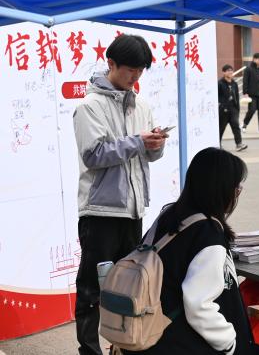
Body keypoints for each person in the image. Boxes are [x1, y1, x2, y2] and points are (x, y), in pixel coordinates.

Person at [123, 148, 259, 355]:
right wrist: (230, 344)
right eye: (237, 187)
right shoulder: (208, 234)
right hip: (178, 341)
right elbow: (199, 306)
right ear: (222, 188)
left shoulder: (169, 216)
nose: (238, 192)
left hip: (148, 335)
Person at [73, 34, 167, 355]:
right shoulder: (89, 107)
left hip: (133, 210)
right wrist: (139, 142)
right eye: (130, 70)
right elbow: (94, 154)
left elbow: (149, 156)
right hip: (100, 212)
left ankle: (124, 347)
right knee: (92, 288)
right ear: (111, 63)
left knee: (130, 287)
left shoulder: (142, 105)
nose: (135, 76)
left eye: (140, 71)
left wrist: (155, 144)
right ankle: (90, 350)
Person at [218, 64, 247, 151]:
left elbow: (237, 96)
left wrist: (237, 109)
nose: (230, 72)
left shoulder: (234, 83)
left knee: (236, 126)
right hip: (223, 110)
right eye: (228, 70)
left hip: (233, 109)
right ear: (224, 72)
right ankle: (218, 145)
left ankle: (239, 144)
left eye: (231, 70)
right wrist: (221, 106)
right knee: (221, 128)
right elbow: (217, 96)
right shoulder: (220, 83)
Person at [241, 53, 259, 134]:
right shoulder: (248, 69)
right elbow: (245, 81)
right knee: (252, 110)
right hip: (251, 94)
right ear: (254, 59)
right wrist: (245, 92)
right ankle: (244, 125)